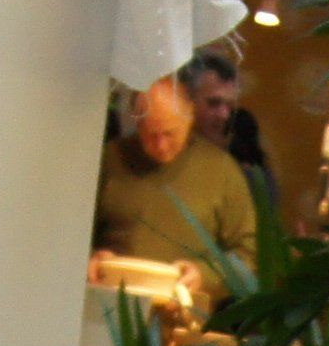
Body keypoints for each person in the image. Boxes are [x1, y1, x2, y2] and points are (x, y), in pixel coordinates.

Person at [98, 76, 261, 315]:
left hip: (183, 314)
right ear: (137, 122)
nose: (161, 145)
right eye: (151, 135)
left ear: (190, 117)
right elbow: (67, 233)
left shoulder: (221, 171)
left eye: (170, 133)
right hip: (110, 307)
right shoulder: (110, 160)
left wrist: (204, 275)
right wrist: (91, 259)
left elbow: (250, 256)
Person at [188, 44, 283, 231]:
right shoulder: (157, 152)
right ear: (186, 99)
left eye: (230, 106)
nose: (224, 115)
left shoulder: (244, 177)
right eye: (213, 103)